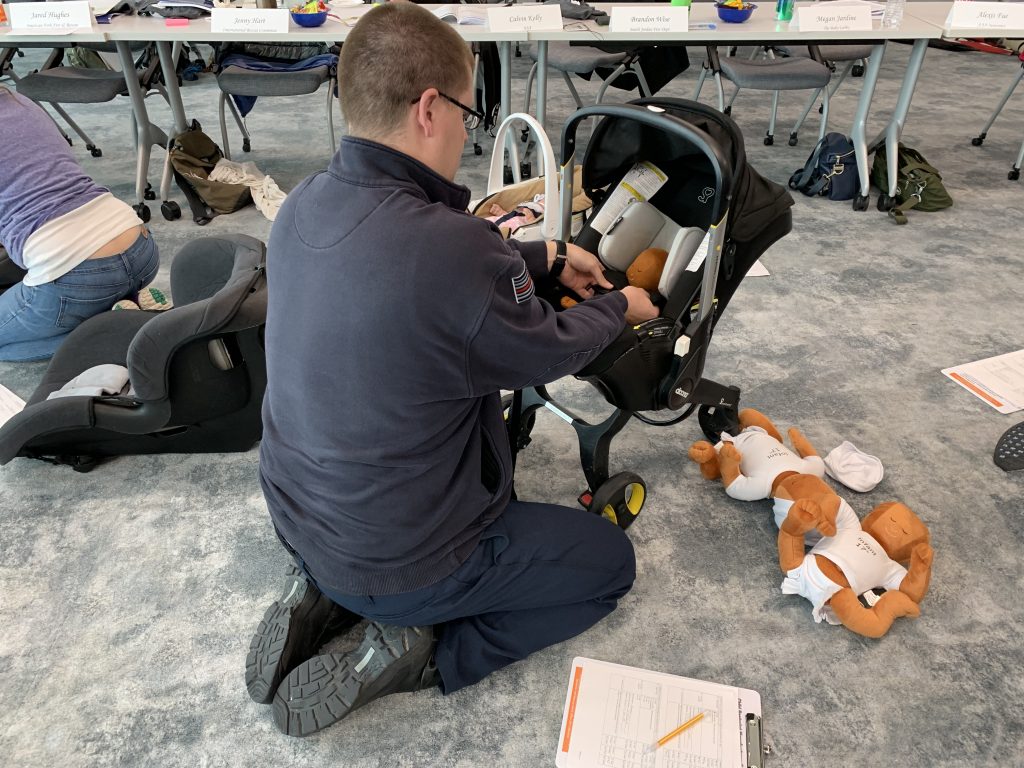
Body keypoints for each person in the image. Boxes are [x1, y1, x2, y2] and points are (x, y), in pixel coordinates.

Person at [251, 2, 660, 738]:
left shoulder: (303, 204)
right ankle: (430, 649)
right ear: (431, 108)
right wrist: (619, 308)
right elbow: (550, 348)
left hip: (297, 514)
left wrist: (546, 256)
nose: (469, 135)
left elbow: (412, 279)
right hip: (407, 557)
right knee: (606, 566)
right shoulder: (451, 250)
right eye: (472, 117)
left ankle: (321, 590)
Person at [0, 85, 159, 362]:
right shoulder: (21, 101)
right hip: (139, 245)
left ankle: (118, 330)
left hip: (78, 275)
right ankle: (127, 308)